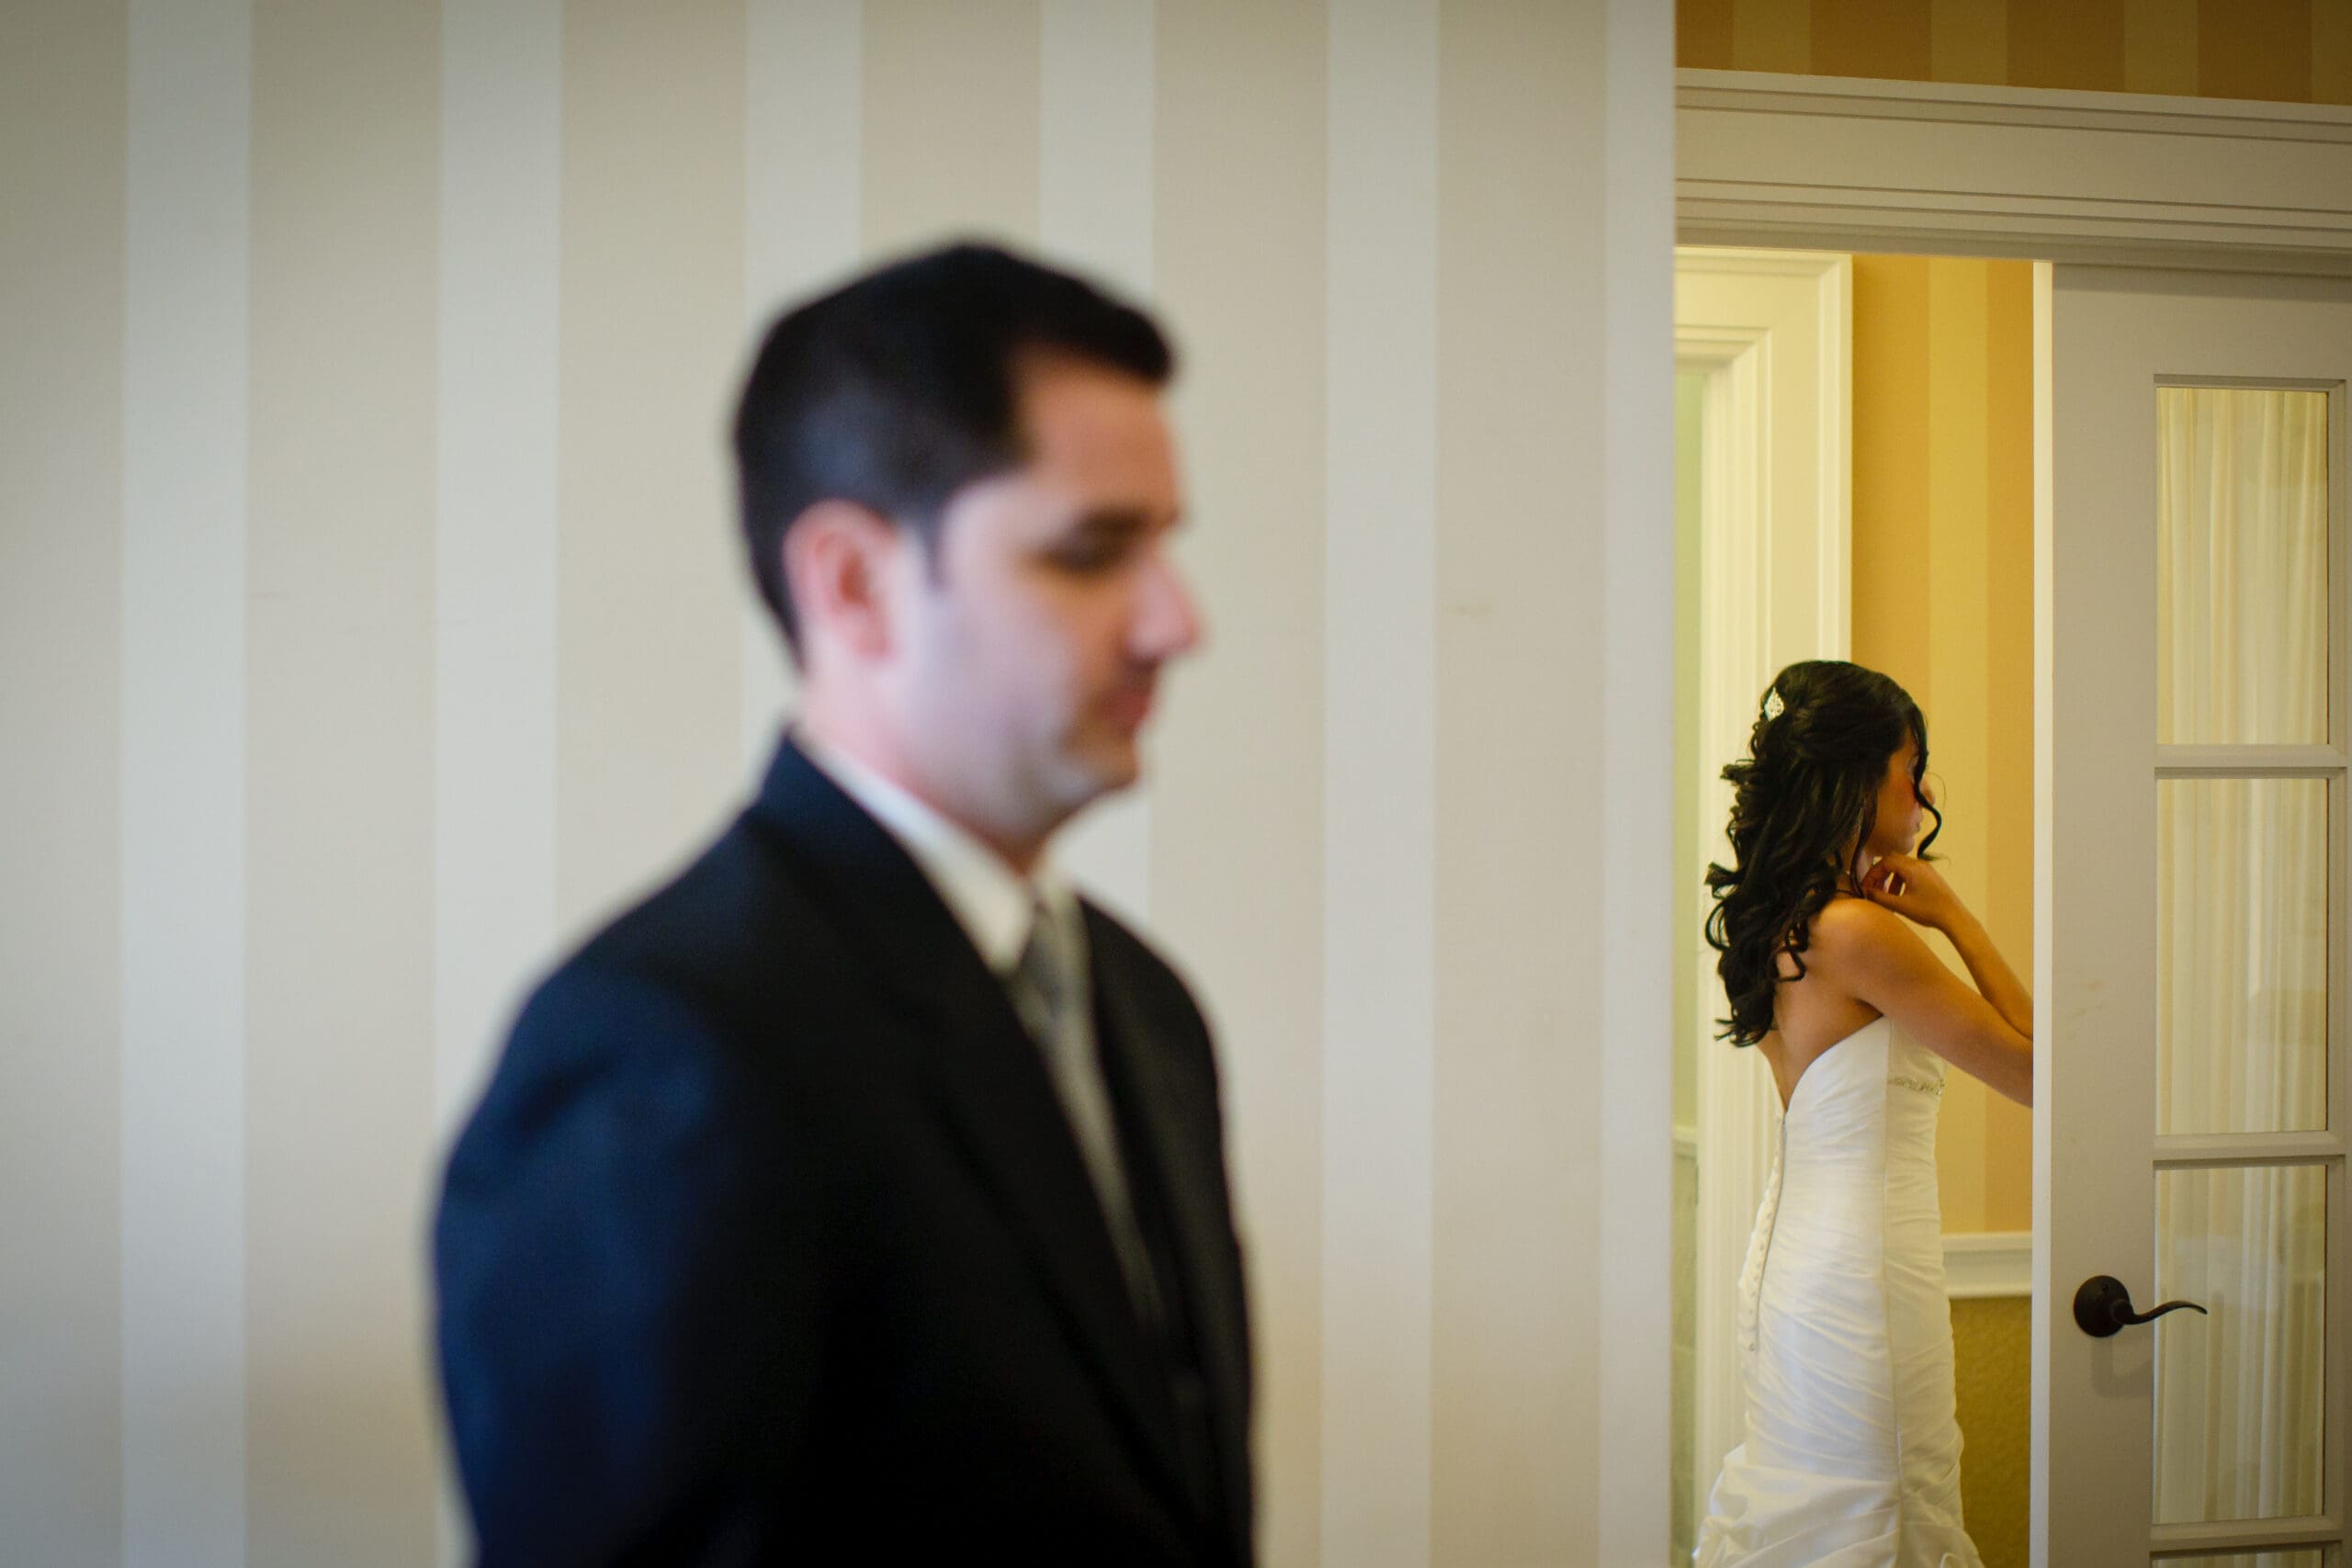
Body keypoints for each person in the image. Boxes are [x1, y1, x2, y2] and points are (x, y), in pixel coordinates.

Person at [435, 243, 1253, 1566]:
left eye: (1166, 545)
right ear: (855, 582)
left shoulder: (1146, 1004)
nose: (1177, 621)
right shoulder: (658, 1052)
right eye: (1095, 550)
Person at [1693, 660, 2032, 1568]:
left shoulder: (1788, 923)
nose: (1922, 791)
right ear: (1857, 772)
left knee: (1816, 1503)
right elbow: (2046, 1077)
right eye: (1908, 763)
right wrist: (1955, 915)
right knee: (1879, 1508)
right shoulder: (1858, 933)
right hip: (1861, 1280)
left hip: (1797, 1265)